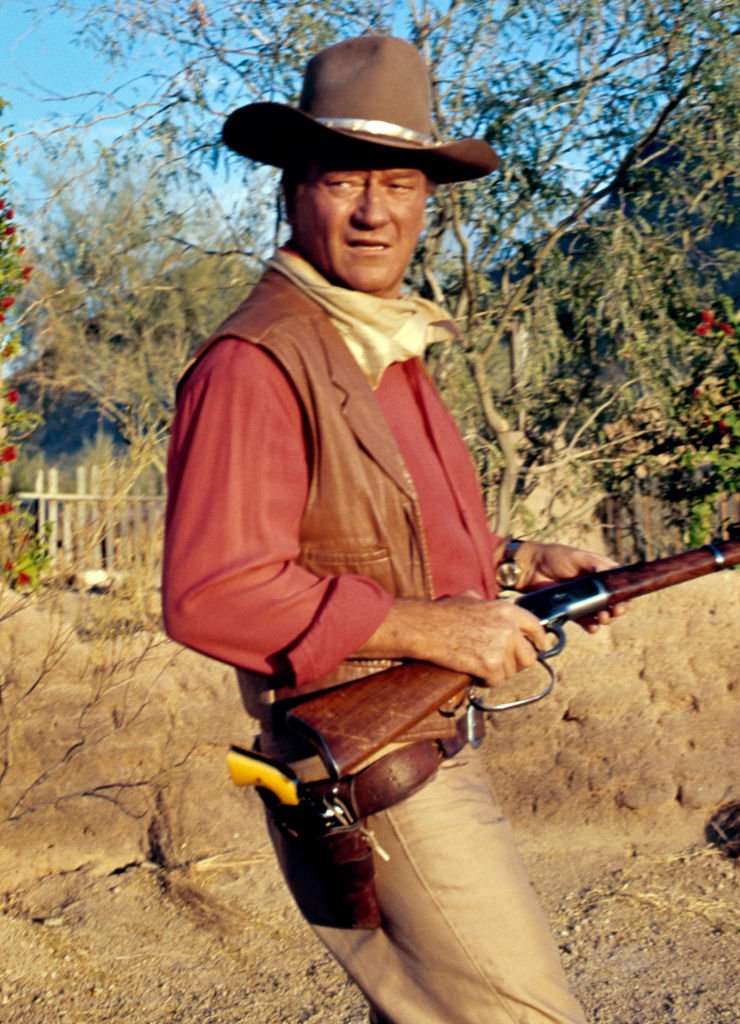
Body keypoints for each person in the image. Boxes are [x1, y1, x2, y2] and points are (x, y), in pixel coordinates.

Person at [163, 35, 622, 1024]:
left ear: (428, 200)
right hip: (373, 770)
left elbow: (374, 534)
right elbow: (215, 592)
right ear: (292, 191)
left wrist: (513, 560)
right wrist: (433, 628)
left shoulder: (383, 342)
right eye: (345, 180)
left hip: (419, 746)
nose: (376, 211)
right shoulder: (257, 362)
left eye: (401, 183)